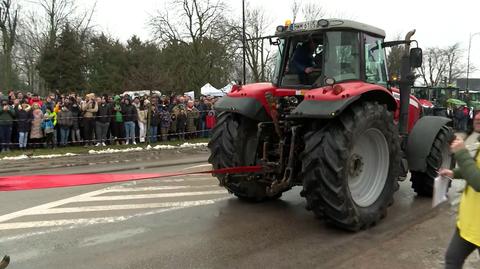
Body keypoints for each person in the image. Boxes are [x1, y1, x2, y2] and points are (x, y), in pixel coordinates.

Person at [439, 135, 480, 269]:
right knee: (452, 260)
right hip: (468, 224)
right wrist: (453, 173)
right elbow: (475, 170)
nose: (477, 116)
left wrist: (462, 153)